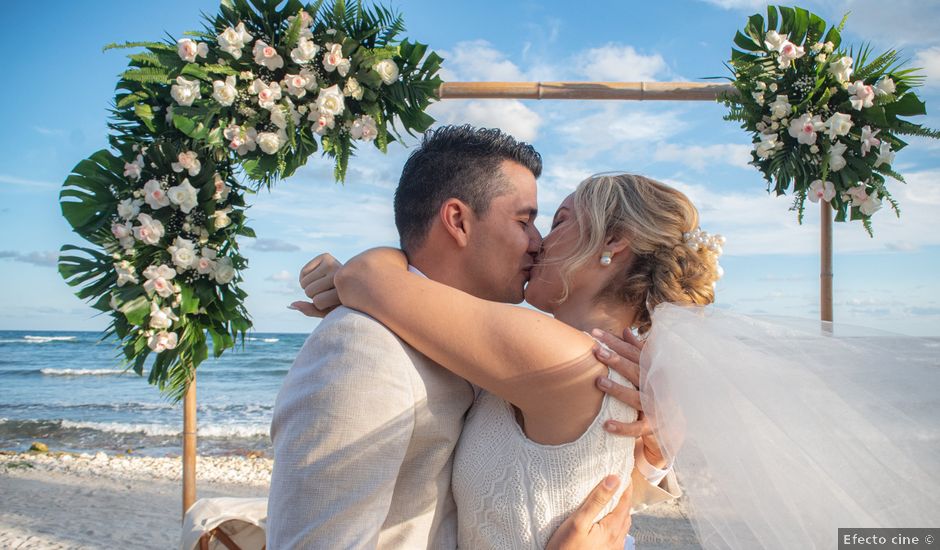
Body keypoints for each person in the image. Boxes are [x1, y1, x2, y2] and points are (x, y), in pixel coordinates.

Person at [314, 171, 940, 548]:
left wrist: (350, 277)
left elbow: (374, 277)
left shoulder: (556, 354)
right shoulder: (604, 369)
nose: (537, 241)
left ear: (612, 244)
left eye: (556, 222)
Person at [267, 127, 678, 550]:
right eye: (525, 221)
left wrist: (366, 271)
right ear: (459, 221)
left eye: (550, 223)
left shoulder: (537, 353)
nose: (537, 243)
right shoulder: (360, 347)